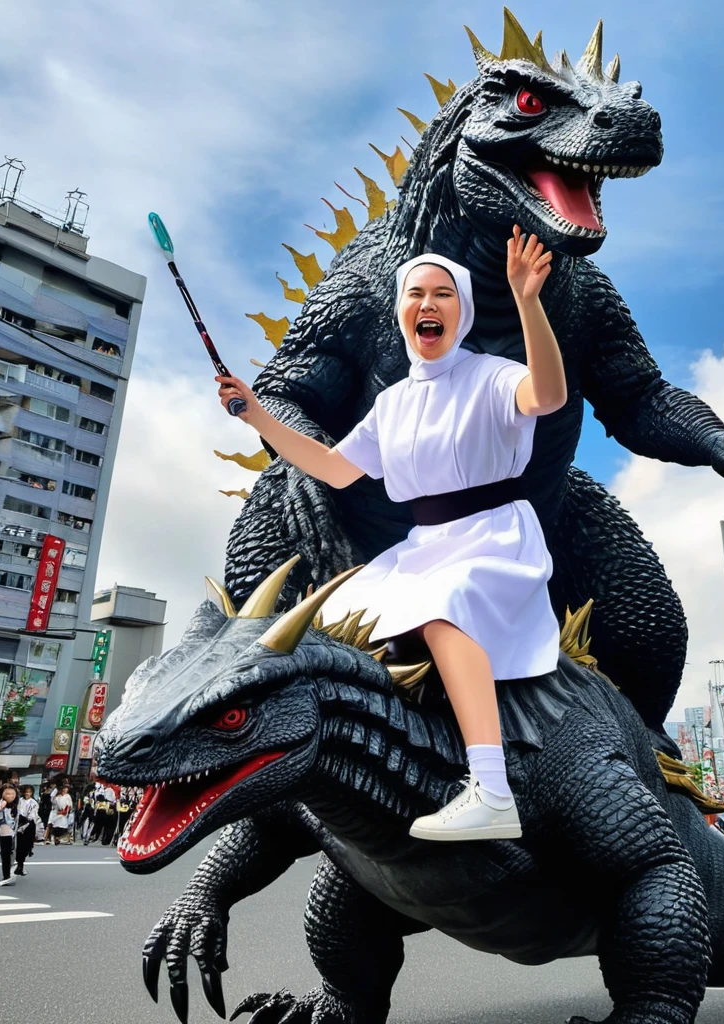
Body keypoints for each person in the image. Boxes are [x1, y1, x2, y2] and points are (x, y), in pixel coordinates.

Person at [216, 226, 565, 840]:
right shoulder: (393, 402)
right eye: (415, 294)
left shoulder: (493, 375)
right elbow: (333, 468)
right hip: (421, 547)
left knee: (442, 607)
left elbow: (548, 393)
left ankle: (491, 787)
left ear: (464, 311)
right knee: (329, 621)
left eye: (443, 294)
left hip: (493, 536)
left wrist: (528, 301)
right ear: (401, 311)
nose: (428, 304)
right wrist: (259, 414)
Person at [14, 785, 39, 876]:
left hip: (29, 825)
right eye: (26, 792)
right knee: (19, 846)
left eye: (29, 792)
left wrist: (28, 819)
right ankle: (19, 865)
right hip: (20, 824)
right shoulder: (19, 801)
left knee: (26, 846)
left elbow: (34, 813)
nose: (27, 794)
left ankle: (21, 865)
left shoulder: (34, 803)